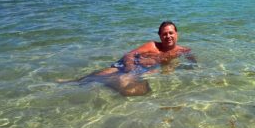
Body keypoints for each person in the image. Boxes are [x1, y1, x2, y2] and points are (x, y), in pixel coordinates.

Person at [58, 21, 194, 96]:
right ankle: (73, 82)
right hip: (129, 65)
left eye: (171, 33)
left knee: (128, 88)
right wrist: (129, 66)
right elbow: (129, 55)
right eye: (164, 34)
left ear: (177, 34)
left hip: (141, 70)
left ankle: (108, 84)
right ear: (159, 36)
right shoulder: (152, 45)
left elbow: (193, 62)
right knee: (97, 75)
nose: (168, 36)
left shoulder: (183, 51)